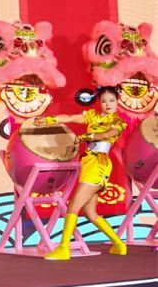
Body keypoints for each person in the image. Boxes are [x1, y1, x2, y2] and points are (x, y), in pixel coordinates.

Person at [34, 86, 127, 260]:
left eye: (112, 101)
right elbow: (70, 118)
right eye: (104, 101)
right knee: (90, 213)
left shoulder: (119, 122)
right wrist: (49, 120)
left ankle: (64, 248)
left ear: (117, 102)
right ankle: (119, 244)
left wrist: (86, 137)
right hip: (89, 163)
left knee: (73, 206)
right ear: (99, 102)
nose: (108, 104)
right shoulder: (93, 116)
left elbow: (106, 134)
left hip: (98, 165)